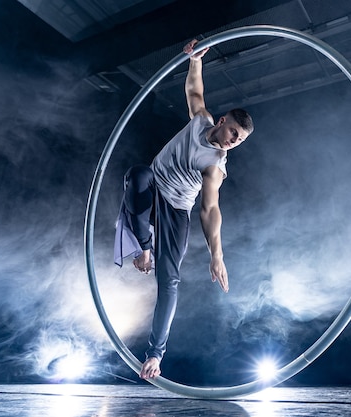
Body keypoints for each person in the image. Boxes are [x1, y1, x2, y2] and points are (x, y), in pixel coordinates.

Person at [113, 38, 254, 380]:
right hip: (152, 186)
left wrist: (216, 255)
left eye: (239, 141)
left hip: (176, 208)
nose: (232, 142)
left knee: (170, 280)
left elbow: (209, 210)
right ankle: (144, 249)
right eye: (232, 133)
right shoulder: (201, 121)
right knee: (138, 174)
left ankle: (155, 355)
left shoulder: (215, 166)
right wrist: (195, 60)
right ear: (221, 121)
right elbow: (194, 92)